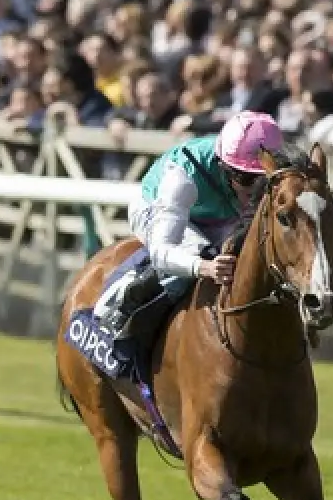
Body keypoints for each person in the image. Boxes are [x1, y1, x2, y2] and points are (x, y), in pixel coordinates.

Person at [94, 110, 283, 338]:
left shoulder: (275, 174)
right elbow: (162, 251)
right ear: (223, 165)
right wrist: (205, 267)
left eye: (264, 180)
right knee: (197, 254)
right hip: (154, 207)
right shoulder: (182, 177)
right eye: (246, 178)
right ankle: (125, 303)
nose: (254, 189)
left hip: (219, 217)